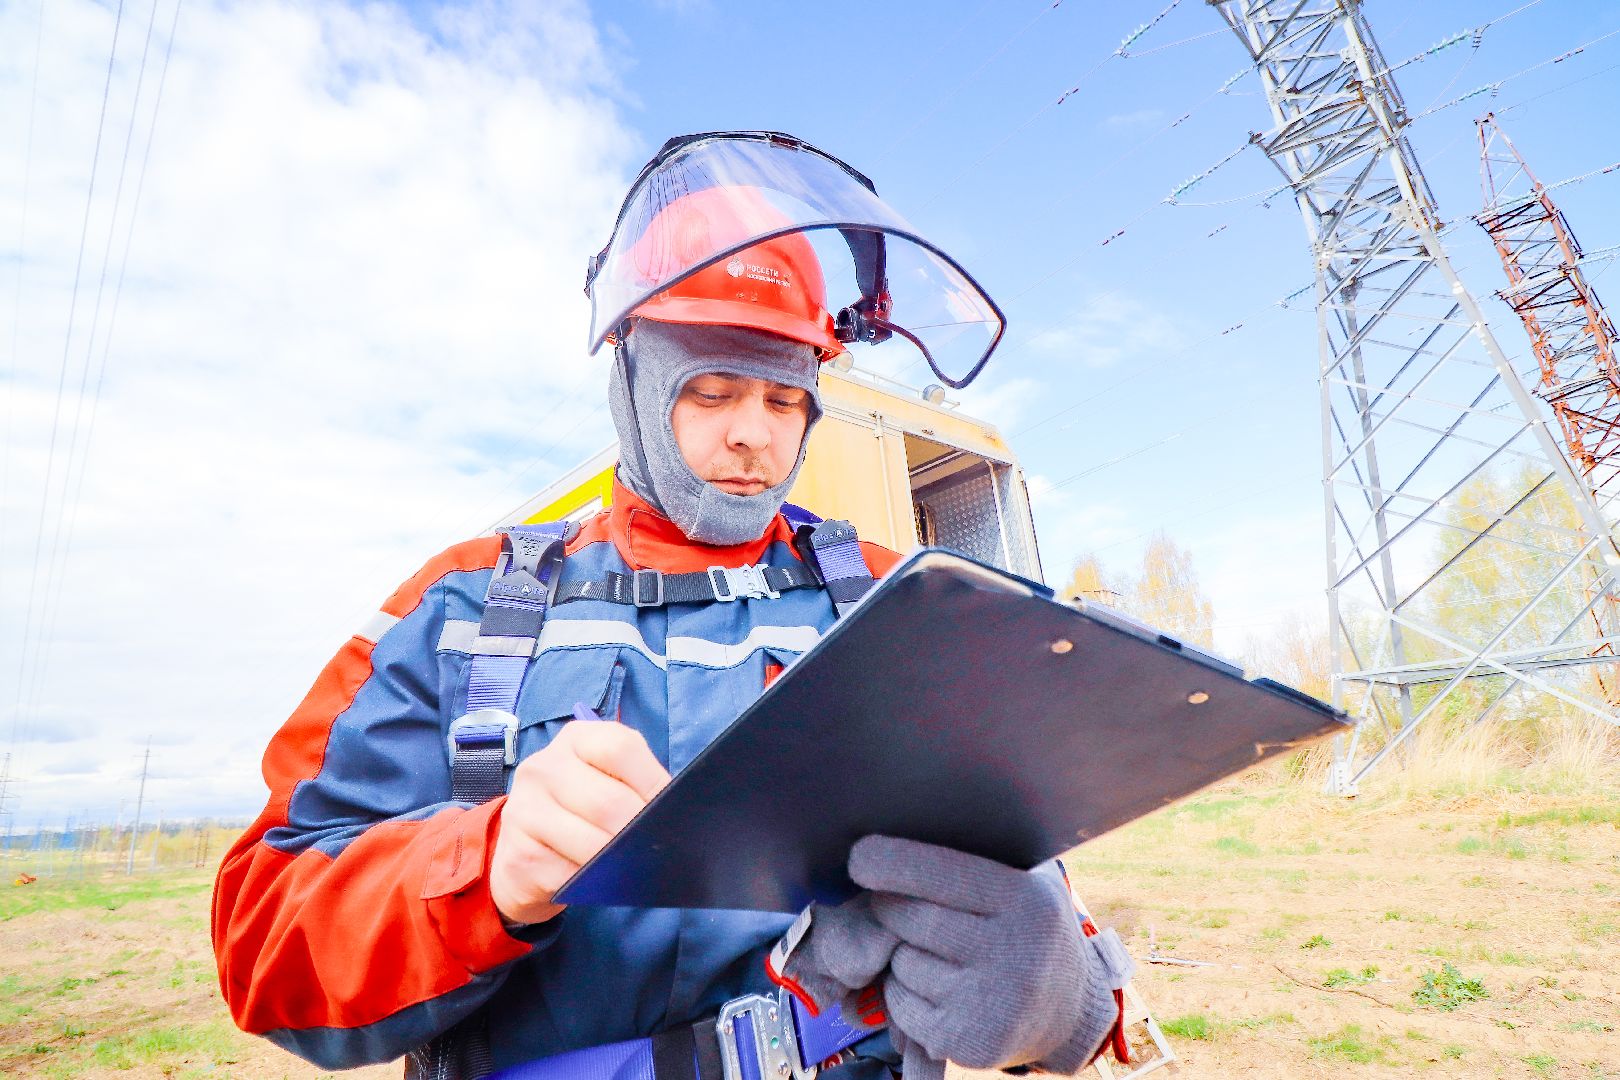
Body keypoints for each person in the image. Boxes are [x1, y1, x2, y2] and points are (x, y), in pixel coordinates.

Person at [212, 132, 1132, 1080]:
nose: (752, 437)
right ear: (634, 388)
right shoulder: (464, 606)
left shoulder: (899, 601)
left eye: (785, 402)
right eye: (713, 391)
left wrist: (1055, 994)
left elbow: (1010, 860)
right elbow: (261, 940)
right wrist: (483, 871)